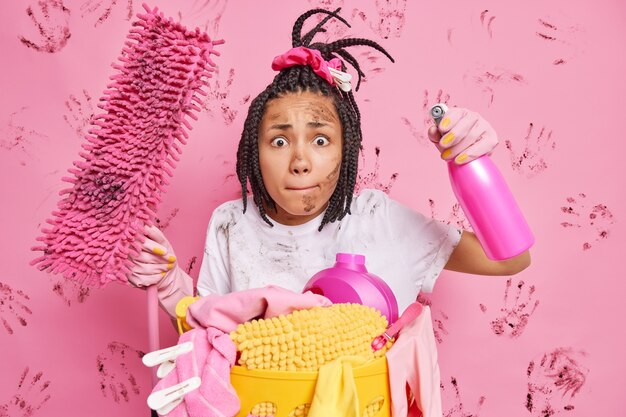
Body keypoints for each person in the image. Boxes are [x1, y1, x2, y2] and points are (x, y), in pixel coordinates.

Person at [128, 8, 530, 317]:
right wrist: (170, 286)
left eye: (320, 140)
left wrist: (473, 163)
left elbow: (512, 259)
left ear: (346, 150)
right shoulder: (231, 224)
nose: (300, 161)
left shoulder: (379, 219)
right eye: (280, 140)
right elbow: (208, 336)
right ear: (254, 149)